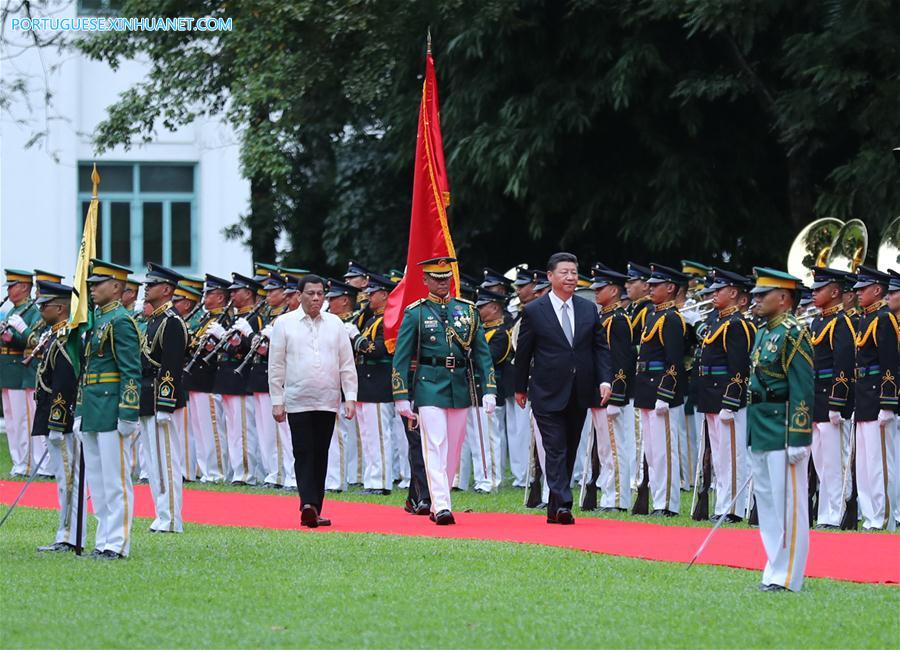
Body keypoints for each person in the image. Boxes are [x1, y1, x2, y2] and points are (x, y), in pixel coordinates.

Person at [392, 257, 497, 525]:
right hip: (429, 384)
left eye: (445, 278)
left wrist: (489, 388)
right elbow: (401, 357)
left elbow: (483, 355)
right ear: (425, 280)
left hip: (459, 384)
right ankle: (441, 506)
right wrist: (401, 395)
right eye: (436, 279)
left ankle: (442, 498)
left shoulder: (467, 311)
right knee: (435, 443)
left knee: (454, 448)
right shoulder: (416, 312)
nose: (441, 283)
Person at [514, 252, 612, 525]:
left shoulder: (587, 309)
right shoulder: (534, 311)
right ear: (550, 276)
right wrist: (519, 387)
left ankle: (555, 507)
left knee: (569, 448)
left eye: (574, 272)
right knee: (554, 447)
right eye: (564, 272)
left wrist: (605, 380)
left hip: (579, 390)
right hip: (546, 391)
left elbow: (600, 348)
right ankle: (564, 502)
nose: (570, 277)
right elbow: (523, 353)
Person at [269, 274, 357, 528]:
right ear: (299, 295)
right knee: (303, 451)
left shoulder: (335, 323)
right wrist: (277, 399)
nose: (316, 298)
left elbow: (346, 364)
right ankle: (307, 503)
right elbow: (276, 365)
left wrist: (350, 396)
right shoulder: (284, 323)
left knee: (321, 453)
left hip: (327, 399)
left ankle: (316, 507)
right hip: (297, 398)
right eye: (311, 293)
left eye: (320, 293)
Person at [746, 267, 814, 591]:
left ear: (784, 298)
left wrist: (799, 436)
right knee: (768, 503)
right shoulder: (763, 332)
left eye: (764, 294)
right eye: (756, 294)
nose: (756, 299)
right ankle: (774, 567)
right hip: (760, 423)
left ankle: (788, 576)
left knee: (789, 505)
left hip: (782, 424)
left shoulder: (794, 333)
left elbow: (802, 387)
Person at [75, 259, 142, 559]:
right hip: (93, 408)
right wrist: (80, 410)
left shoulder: (121, 321)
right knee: (99, 482)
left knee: (116, 481)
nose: (91, 288)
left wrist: (128, 412)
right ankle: (103, 539)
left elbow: (131, 371)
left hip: (112, 408)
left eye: (97, 283)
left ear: (116, 287)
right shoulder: (98, 321)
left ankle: (117, 542)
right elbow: (87, 369)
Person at [31, 281, 86, 552]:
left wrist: (57, 422)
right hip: (52, 416)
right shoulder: (55, 335)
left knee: (69, 480)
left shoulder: (66, 338)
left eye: (45, 304)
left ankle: (69, 536)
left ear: (61, 308)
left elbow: (64, 384)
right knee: (64, 480)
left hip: (60, 419)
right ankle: (65, 533)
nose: (40, 308)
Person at [696, 268, 755, 523]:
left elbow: (739, 366)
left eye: (718, 290)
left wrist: (731, 401)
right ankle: (722, 504)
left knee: (732, 456)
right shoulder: (718, 321)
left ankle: (732, 508)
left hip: (726, 396)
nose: (713, 295)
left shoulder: (737, 324)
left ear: (733, 293)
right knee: (720, 457)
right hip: (711, 393)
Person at [633, 264, 688, 516]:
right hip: (646, 386)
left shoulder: (672, 319)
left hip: (661, 390)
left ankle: (667, 503)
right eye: (650, 284)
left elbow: (674, 360)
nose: (650, 288)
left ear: (670, 288)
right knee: (652, 451)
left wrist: (665, 393)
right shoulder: (653, 315)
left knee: (665, 451)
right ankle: (657, 498)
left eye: (656, 285)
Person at [138, 263, 189, 533]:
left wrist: (166, 404)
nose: (146, 288)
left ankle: (171, 518)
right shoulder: (154, 319)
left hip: (161, 399)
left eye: (152, 284)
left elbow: (171, 366)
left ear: (166, 289)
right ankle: (161, 513)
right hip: (148, 397)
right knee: (153, 460)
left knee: (167, 459)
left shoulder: (171, 321)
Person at [584, 265, 635, 511]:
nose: (596, 292)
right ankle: (608, 495)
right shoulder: (603, 317)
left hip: (610, 394)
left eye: (601, 288)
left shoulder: (618, 320)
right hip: (598, 392)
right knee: (604, 448)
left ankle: (617, 499)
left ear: (614, 290)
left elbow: (622, 360)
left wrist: (617, 395)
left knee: (614, 448)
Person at [808, 267, 856, 529]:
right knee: (821, 461)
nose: (814, 293)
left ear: (835, 292)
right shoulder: (818, 322)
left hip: (831, 400)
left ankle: (835, 515)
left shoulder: (841, 322)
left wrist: (837, 403)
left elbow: (844, 366)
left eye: (819, 289)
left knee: (836, 462)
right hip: (816, 398)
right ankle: (825, 513)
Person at [851, 266, 898, 530]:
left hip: (878, 398)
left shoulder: (884, 318)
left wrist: (888, 403)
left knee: (880, 464)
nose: (858, 293)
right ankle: (870, 517)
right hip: (863, 397)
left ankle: (882, 518)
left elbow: (890, 363)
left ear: (876, 290)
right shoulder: (865, 319)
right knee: (866, 466)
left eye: (863, 288)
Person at [211, 273, 264, 485]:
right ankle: (237, 470)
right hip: (227, 379)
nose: (231, 294)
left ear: (248, 293)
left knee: (243, 431)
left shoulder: (255, 318)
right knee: (232, 431)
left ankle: (246, 473)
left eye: (236, 290)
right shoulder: (235, 318)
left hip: (241, 380)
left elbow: (256, 348)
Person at [250, 272, 295, 490]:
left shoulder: (289, 319)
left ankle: (288, 474)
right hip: (269, 377)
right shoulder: (273, 317)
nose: (268, 295)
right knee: (269, 432)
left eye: (273, 291)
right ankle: (276, 472)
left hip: (289, 379)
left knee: (285, 431)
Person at [185, 275, 231, 483]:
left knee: (212, 428)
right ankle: (206, 469)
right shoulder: (205, 318)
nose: (205, 297)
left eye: (210, 293)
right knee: (200, 429)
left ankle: (217, 471)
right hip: (196, 379)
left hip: (208, 379)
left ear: (220, 297)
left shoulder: (223, 319)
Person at [355, 273, 398, 495]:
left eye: (372, 294)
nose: (368, 298)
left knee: (380, 435)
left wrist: (358, 339)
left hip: (379, 384)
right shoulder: (371, 319)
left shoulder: (388, 320)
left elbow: (379, 350)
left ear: (384, 294)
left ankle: (381, 481)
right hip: (366, 382)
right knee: (368, 436)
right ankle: (372, 479)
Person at [1, 269, 41, 477]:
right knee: (10, 419)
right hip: (7, 371)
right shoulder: (11, 311)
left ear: (25, 287)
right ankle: (17, 461)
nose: (9, 290)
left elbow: (32, 341)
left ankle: (26, 463)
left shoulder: (32, 311)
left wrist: (11, 338)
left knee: (23, 419)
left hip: (19, 370)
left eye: (12, 285)